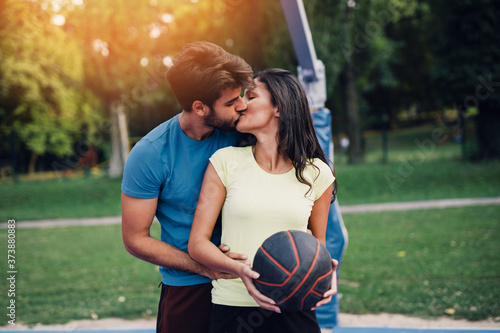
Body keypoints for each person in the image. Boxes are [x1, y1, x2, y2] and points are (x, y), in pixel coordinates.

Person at [189, 68, 339, 333]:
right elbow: (198, 244)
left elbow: (317, 244)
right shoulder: (225, 162)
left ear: (278, 107)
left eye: (252, 96)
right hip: (232, 308)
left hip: (294, 308)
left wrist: (325, 272)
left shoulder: (317, 173)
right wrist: (239, 269)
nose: (242, 104)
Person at [121, 41, 254, 333]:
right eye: (231, 102)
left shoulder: (246, 131)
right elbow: (135, 239)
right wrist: (205, 267)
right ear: (199, 107)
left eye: (241, 96)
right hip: (189, 286)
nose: (243, 105)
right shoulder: (150, 154)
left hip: (251, 280)